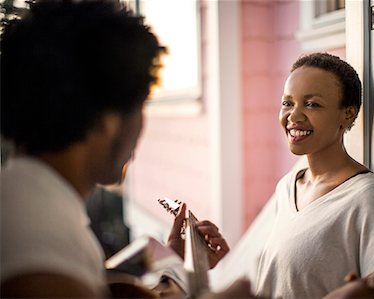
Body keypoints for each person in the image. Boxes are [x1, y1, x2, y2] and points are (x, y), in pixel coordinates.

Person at [0, 1, 237, 298]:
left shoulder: (27, 206)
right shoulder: (41, 249)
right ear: (108, 120)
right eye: (141, 105)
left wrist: (172, 263)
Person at [254, 53, 374, 298]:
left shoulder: (368, 198)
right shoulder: (287, 187)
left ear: (347, 114)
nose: (294, 116)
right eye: (287, 103)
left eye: (312, 104)